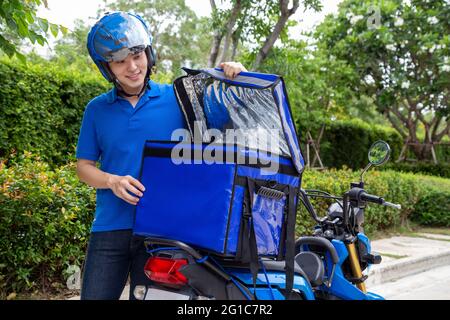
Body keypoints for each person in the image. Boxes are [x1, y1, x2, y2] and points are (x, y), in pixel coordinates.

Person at [76, 11, 247, 300]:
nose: (132, 67)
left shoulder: (179, 98)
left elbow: (225, 126)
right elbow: (84, 167)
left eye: (137, 55)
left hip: (164, 232)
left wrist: (233, 78)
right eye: (120, 61)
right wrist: (112, 181)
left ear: (149, 53)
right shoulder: (97, 109)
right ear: (107, 67)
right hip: (110, 228)